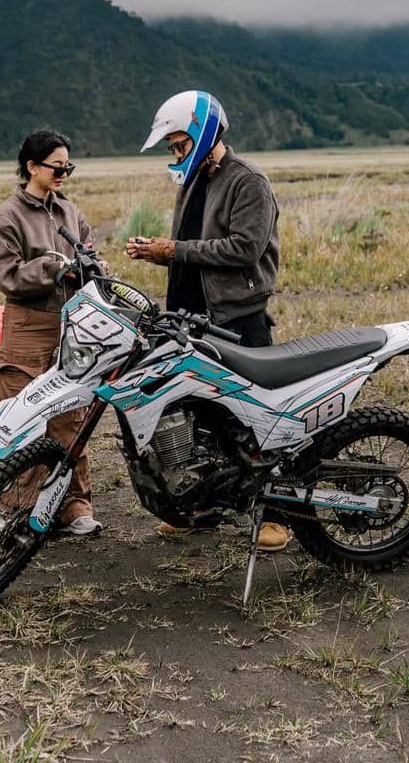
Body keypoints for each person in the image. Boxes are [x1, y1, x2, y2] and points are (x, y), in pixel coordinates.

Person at [125, 89, 289, 551]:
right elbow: (196, 251)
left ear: (203, 134)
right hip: (191, 316)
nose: (176, 153)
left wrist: (173, 249)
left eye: (179, 144)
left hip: (236, 317)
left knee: (255, 417)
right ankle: (202, 508)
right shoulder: (194, 181)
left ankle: (277, 515)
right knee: (199, 413)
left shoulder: (247, 181)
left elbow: (244, 249)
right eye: (172, 147)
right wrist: (157, 254)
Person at [0, 128, 102, 536]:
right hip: (28, 326)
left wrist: (91, 268)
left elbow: (89, 253)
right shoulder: (8, 216)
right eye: (57, 166)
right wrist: (55, 268)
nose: (64, 172)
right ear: (32, 167)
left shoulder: (69, 212)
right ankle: (16, 509)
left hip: (70, 325)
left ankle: (73, 505)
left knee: (71, 414)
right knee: (21, 415)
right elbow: (5, 274)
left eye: (68, 165)